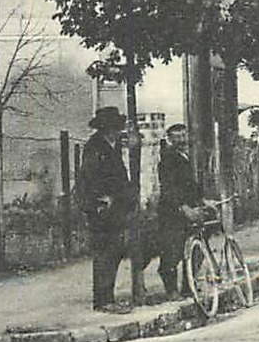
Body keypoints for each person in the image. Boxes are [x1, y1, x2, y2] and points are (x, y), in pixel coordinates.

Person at [77, 107, 144, 311]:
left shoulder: (111, 147)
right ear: (108, 129)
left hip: (114, 207)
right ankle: (103, 301)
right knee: (105, 252)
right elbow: (89, 176)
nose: (119, 131)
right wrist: (100, 199)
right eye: (116, 127)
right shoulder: (95, 147)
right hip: (101, 208)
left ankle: (108, 298)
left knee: (113, 251)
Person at [154, 123, 201, 300]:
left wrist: (202, 200)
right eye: (177, 136)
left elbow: (191, 185)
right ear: (170, 139)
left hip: (189, 209)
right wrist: (183, 207)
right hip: (172, 212)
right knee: (171, 252)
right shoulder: (167, 159)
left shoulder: (185, 157)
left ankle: (189, 286)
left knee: (194, 249)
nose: (182, 139)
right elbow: (169, 188)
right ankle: (171, 290)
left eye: (184, 135)